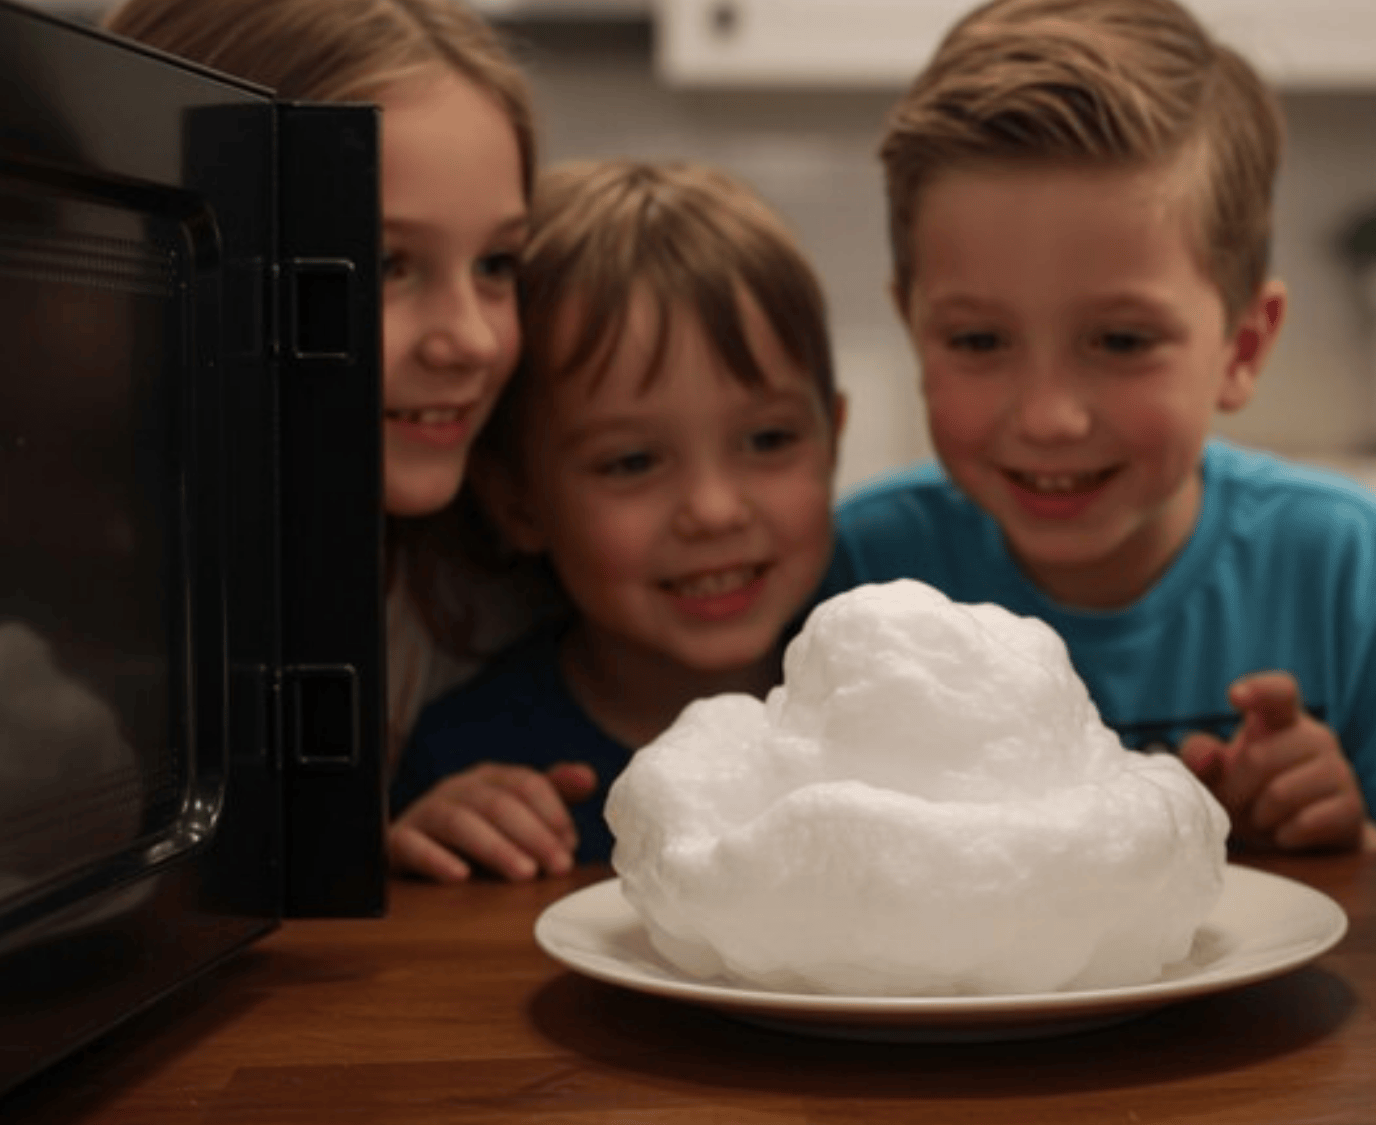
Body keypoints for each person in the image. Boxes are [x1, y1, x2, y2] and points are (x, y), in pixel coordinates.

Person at [821, 0, 1376, 850]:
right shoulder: (859, 571)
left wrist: (1337, 833)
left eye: (1121, 341)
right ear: (915, 329)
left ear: (1242, 345)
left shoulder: (1345, 566)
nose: (1050, 418)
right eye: (980, 340)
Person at [99, 0, 546, 773]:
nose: (471, 339)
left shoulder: (489, 599)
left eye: (496, 265)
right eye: (386, 266)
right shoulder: (70, 622)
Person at [389, 160, 845, 880]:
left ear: (835, 439)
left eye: (768, 440)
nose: (715, 510)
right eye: (632, 461)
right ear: (518, 501)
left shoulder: (888, 702)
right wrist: (428, 842)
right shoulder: (475, 754)